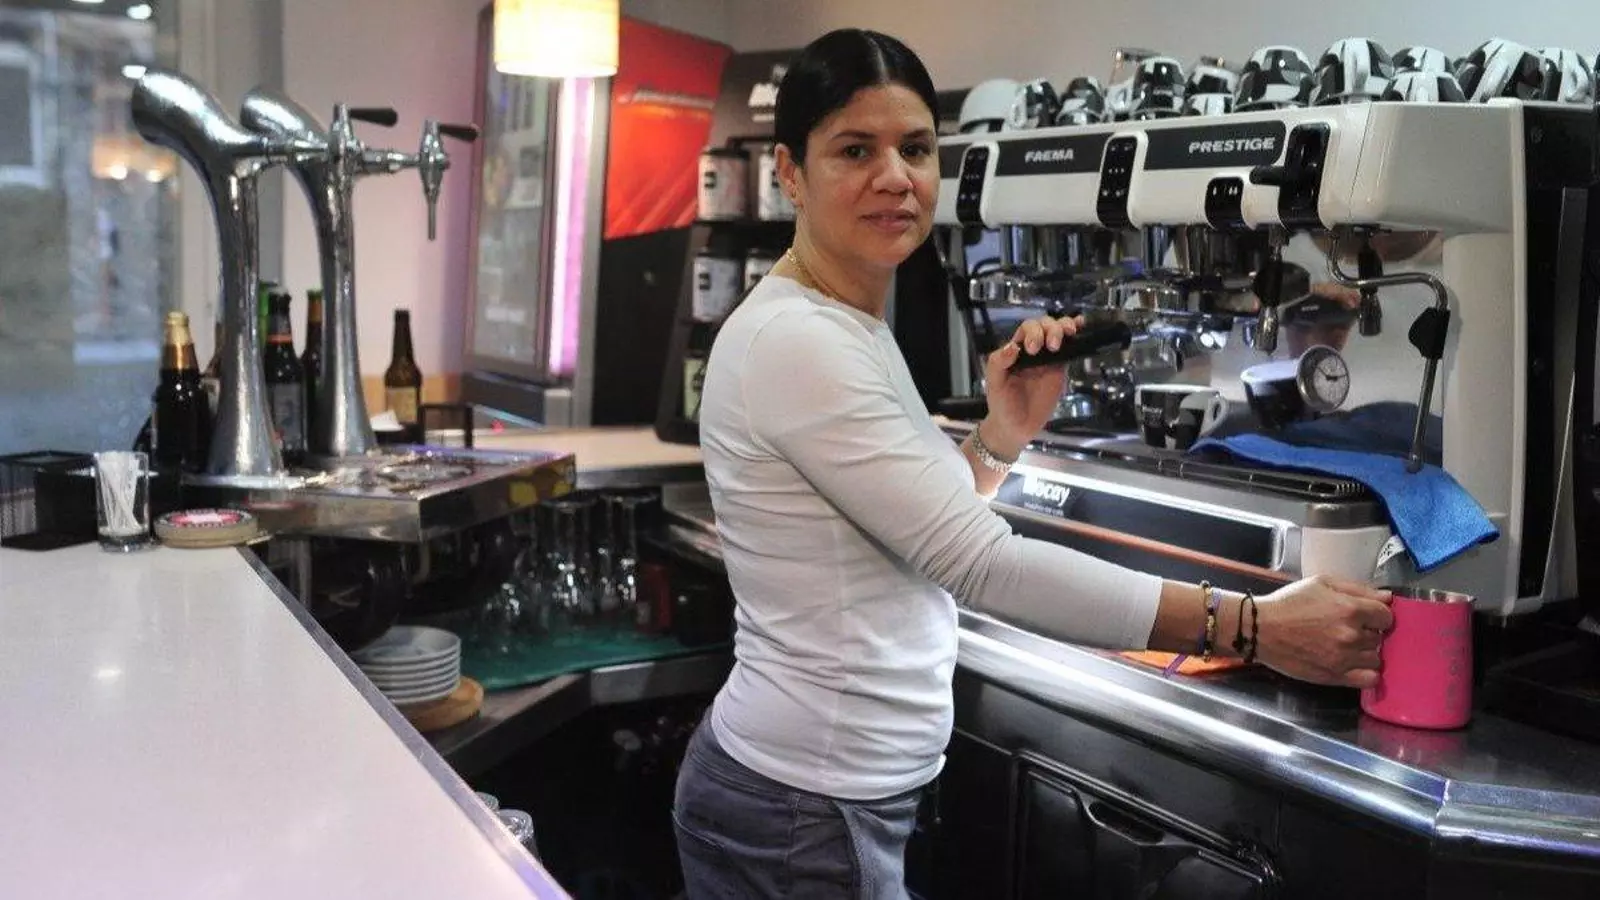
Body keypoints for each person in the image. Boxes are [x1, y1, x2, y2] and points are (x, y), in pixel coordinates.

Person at [673, 29, 1394, 899]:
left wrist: (1000, 435)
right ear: (790, 172)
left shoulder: (847, 324)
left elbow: (910, 528)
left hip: (825, 796)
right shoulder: (799, 339)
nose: (895, 177)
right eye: (855, 150)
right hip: (802, 810)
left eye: (915, 149)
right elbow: (979, 564)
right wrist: (1252, 627)